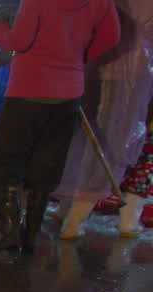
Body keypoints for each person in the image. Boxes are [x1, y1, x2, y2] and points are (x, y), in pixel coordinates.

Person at [0, 0, 120, 255]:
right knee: (47, 163)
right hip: (69, 92)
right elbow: (111, 35)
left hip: (28, 89)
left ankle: (9, 233)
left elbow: (18, 41)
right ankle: (30, 236)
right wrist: (79, 56)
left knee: (4, 163)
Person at [57, 0, 153, 239]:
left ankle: (67, 208)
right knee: (115, 145)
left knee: (85, 136)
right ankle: (76, 220)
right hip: (134, 70)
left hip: (95, 59)